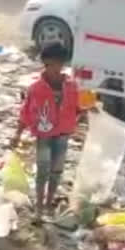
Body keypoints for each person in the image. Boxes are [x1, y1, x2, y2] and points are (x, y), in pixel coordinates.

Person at [11, 42, 80, 221]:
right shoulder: (36, 88)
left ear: (62, 64)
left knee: (56, 171)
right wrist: (17, 134)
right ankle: (39, 207)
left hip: (63, 134)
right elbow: (26, 112)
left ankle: (49, 204)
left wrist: (87, 114)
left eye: (57, 64)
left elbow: (79, 108)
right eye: (48, 65)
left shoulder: (72, 86)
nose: (52, 69)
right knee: (43, 169)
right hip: (44, 134)